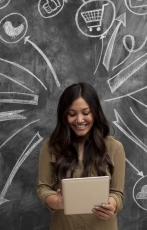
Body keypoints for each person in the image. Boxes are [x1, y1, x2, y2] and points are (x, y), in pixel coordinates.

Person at [36, 82, 126, 229]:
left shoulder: (115, 148)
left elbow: (117, 192)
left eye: (86, 113)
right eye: (72, 114)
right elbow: (43, 187)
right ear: (64, 115)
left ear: (96, 112)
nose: (79, 120)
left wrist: (111, 204)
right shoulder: (50, 147)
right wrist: (56, 202)